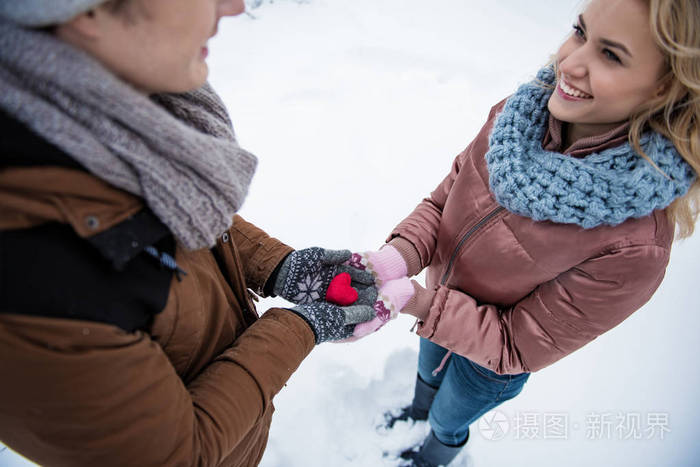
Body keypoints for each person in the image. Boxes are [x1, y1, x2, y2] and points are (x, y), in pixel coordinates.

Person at [0, 1, 380, 466]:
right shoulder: (27, 284)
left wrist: (278, 266)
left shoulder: (107, 118)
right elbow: (183, 455)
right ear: (87, 12)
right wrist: (300, 326)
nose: (235, 6)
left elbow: (157, 217)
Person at [349, 0, 700, 465]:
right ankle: (417, 410)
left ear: (666, 89)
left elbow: (516, 343)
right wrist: (399, 259)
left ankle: (435, 450)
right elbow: (443, 201)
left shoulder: (635, 246)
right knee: (427, 377)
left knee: (450, 415)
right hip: (437, 297)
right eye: (579, 31)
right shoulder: (517, 119)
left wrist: (415, 302)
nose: (569, 64)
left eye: (611, 55)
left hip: (489, 364)